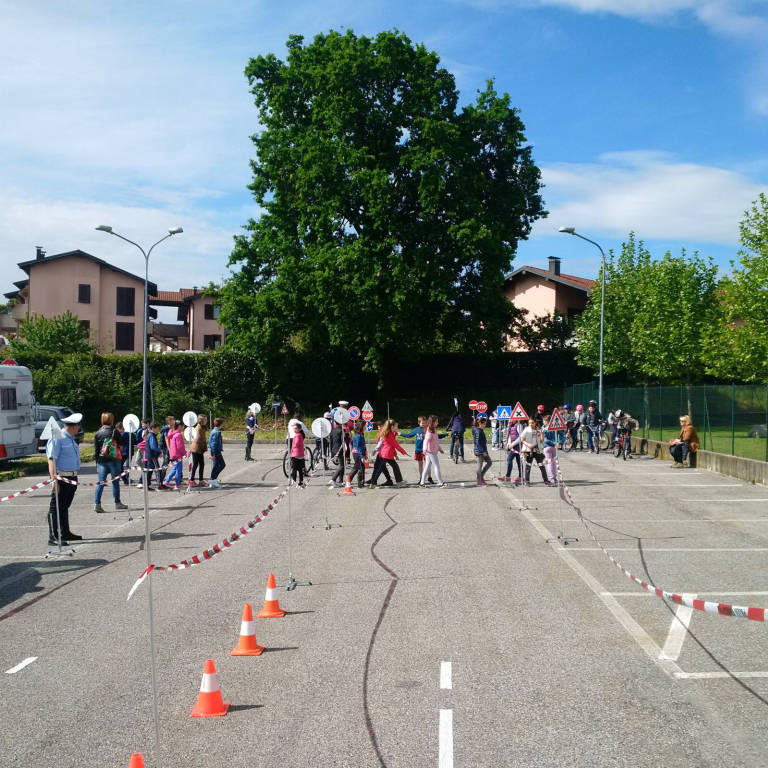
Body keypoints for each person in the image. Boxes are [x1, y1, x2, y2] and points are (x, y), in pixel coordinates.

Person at [46, 412, 84, 545]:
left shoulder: (70, 438)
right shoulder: (58, 438)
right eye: (78, 426)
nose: (79, 429)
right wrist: (54, 480)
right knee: (56, 507)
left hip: (72, 477)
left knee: (64, 506)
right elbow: (51, 460)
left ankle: (65, 532)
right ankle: (54, 536)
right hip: (62, 477)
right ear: (73, 427)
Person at [94, 412, 128, 512]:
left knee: (100, 482)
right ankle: (117, 503)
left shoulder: (98, 433)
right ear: (111, 420)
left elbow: (96, 450)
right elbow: (121, 446)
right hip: (114, 460)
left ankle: (97, 504)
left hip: (101, 460)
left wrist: (97, 463)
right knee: (115, 482)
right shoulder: (115, 432)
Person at [368, 419, 408, 486]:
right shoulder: (389, 435)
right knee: (381, 468)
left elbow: (392, 446)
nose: (397, 428)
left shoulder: (389, 433)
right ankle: (373, 483)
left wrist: (395, 454)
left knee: (393, 467)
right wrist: (404, 452)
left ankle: (399, 481)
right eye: (396, 426)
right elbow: (396, 445)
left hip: (387, 454)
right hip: (386, 455)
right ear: (392, 427)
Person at [513, 418, 552, 486]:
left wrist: (541, 433)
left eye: (532, 423)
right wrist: (528, 445)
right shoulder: (526, 429)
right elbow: (522, 439)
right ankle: (527, 481)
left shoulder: (538, 429)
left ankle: (546, 480)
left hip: (537, 450)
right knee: (528, 466)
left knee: (541, 466)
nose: (530, 424)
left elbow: (542, 440)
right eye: (529, 423)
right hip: (528, 451)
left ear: (535, 423)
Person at [419, 415, 446, 487]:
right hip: (431, 452)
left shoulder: (433, 429)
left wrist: (439, 449)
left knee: (427, 466)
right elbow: (425, 441)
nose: (438, 423)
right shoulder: (430, 431)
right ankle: (440, 482)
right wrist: (424, 449)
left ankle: (422, 482)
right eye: (436, 421)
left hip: (431, 451)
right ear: (433, 422)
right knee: (437, 466)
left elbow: (435, 441)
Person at [164, 421, 186, 488]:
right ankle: (178, 484)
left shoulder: (172, 433)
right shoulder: (178, 435)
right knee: (178, 470)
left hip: (173, 454)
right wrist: (184, 453)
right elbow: (180, 446)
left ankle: (166, 481)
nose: (183, 427)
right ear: (179, 426)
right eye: (183, 426)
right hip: (178, 455)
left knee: (175, 469)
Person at [144, 422, 165, 490]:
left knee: (150, 471)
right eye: (158, 428)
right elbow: (153, 447)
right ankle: (159, 485)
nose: (158, 430)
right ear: (153, 428)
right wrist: (160, 450)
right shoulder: (152, 435)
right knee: (157, 470)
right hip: (152, 456)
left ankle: (147, 485)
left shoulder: (150, 435)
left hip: (149, 456)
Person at [501, 419, 523, 483]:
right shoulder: (510, 426)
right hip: (512, 448)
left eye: (511, 419)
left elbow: (521, 437)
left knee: (519, 462)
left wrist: (513, 444)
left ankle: (520, 477)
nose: (509, 421)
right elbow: (509, 436)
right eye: (509, 419)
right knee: (509, 460)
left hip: (518, 447)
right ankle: (508, 476)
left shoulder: (518, 425)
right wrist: (508, 445)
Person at [472, 415, 492, 486]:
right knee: (479, 467)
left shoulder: (480, 430)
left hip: (483, 450)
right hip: (480, 452)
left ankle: (481, 477)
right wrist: (483, 451)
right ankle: (479, 481)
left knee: (489, 462)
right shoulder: (478, 431)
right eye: (484, 423)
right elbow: (477, 442)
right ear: (480, 423)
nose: (485, 425)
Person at [189, 414, 208, 487]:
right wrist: (204, 446)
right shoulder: (198, 428)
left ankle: (200, 480)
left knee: (201, 464)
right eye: (205, 420)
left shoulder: (202, 427)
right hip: (196, 449)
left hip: (199, 449)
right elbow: (198, 439)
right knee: (196, 465)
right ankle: (192, 480)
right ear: (201, 420)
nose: (206, 421)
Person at [349, 420, 368, 488]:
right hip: (357, 454)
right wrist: (362, 456)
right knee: (360, 468)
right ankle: (360, 483)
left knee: (356, 468)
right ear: (361, 426)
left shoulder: (361, 434)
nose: (366, 427)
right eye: (365, 426)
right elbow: (358, 447)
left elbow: (363, 446)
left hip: (358, 453)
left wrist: (365, 454)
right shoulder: (358, 436)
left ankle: (349, 481)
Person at [208, 417, 226, 488]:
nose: (223, 425)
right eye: (222, 424)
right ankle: (213, 479)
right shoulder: (217, 432)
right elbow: (213, 444)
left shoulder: (214, 431)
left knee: (215, 466)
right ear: (220, 424)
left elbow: (210, 442)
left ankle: (212, 480)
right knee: (222, 465)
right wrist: (213, 454)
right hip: (216, 452)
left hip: (215, 451)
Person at [329, 419, 346, 486]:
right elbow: (343, 441)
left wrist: (331, 452)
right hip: (339, 449)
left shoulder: (332, 431)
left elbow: (331, 442)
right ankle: (333, 479)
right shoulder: (342, 431)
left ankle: (341, 480)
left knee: (342, 465)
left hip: (333, 449)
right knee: (341, 466)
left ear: (335, 424)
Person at [289, 421, 306, 485]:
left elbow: (296, 443)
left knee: (294, 468)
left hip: (295, 454)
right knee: (300, 469)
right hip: (300, 455)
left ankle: (293, 480)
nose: (294, 429)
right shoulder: (301, 435)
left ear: (299, 429)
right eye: (294, 428)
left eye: (295, 428)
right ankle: (301, 481)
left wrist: (293, 447)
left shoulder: (297, 435)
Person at [116, 421, 131, 485]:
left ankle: (125, 479)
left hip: (124, 452)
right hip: (125, 452)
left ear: (121, 428)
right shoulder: (127, 433)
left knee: (120, 467)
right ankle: (124, 479)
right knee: (121, 466)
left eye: (118, 429)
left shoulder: (123, 434)